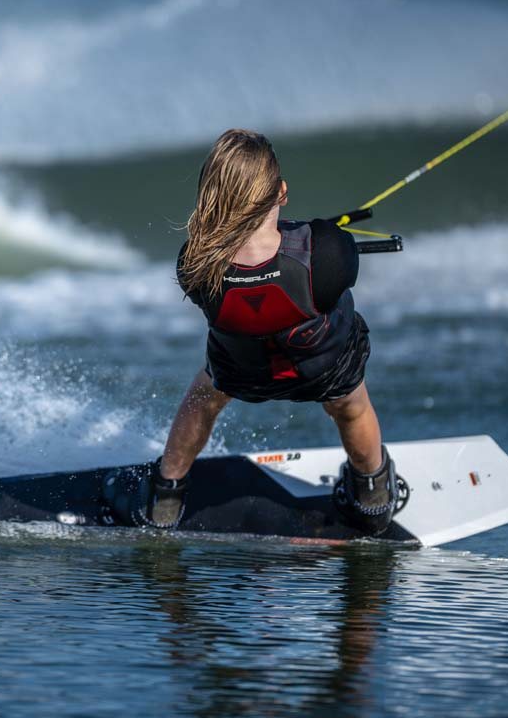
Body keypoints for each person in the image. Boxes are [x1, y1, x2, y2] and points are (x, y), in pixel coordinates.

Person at [141, 129, 399, 535]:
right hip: (324, 370)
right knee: (351, 405)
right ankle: (373, 493)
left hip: (242, 374)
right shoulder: (326, 251)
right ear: (281, 192)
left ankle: (166, 494)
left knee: (205, 396)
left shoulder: (193, 265)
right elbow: (331, 258)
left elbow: (251, 272)